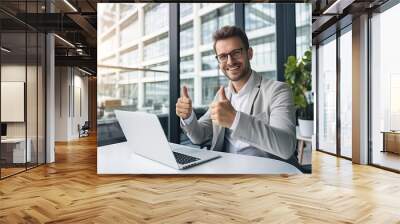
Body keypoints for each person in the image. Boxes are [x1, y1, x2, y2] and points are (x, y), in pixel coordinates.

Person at [176, 25, 298, 166]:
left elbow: (286, 147)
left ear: (249, 53)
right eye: (223, 56)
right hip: (227, 172)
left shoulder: (278, 91)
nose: (230, 61)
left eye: (236, 53)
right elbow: (199, 136)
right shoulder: (222, 95)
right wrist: (188, 117)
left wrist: (235, 119)